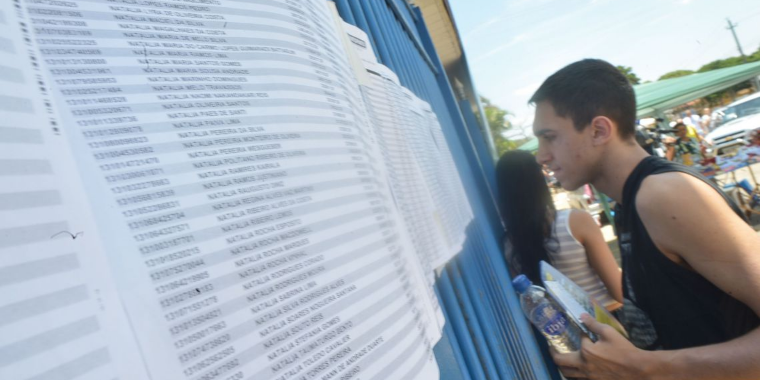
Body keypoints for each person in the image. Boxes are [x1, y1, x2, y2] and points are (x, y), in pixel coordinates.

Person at [529, 58, 760, 379]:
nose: (541, 155)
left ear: (598, 130)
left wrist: (643, 368)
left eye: (549, 137)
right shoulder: (631, 202)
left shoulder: (664, 194)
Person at [496, 150, 623, 312]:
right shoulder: (576, 221)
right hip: (610, 321)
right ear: (539, 180)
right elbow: (619, 292)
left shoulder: (509, 245)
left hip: (569, 333)